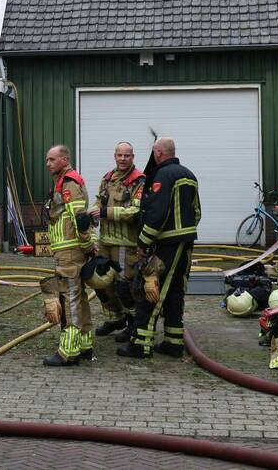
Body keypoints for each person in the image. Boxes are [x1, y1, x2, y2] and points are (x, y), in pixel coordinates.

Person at [118, 137, 200, 359]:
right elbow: (197, 212)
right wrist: (185, 233)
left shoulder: (162, 176)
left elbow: (157, 214)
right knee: (174, 291)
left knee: (152, 291)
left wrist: (143, 242)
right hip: (185, 244)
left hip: (167, 245)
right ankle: (173, 342)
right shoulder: (189, 175)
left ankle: (140, 345)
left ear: (159, 153)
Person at [40, 145, 95, 366]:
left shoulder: (69, 183)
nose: (48, 164)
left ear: (64, 159)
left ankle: (68, 352)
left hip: (70, 252)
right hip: (68, 250)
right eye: (47, 159)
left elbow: (80, 219)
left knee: (69, 298)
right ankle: (84, 345)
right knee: (79, 298)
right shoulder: (62, 182)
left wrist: (87, 245)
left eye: (52, 159)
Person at [89, 142, 145, 339]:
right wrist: (92, 213)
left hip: (125, 244)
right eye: (119, 155)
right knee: (101, 282)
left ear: (133, 157)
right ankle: (115, 318)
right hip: (105, 241)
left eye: (126, 155)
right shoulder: (108, 178)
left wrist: (105, 212)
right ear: (114, 156)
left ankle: (134, 324)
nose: (122, 159)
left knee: (124, 286)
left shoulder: (139, 181)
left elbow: (135, 211)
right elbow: (99, 201)